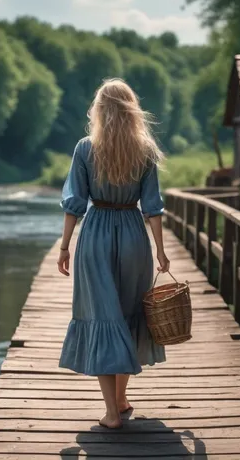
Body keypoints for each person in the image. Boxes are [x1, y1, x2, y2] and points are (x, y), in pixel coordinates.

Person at [57, 78, 170, 429]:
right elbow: (152, 207)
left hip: (96, 236)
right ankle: (120, 400)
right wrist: (161, 252)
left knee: (103, 316)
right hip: (134, 235)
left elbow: (74, 203)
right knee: (128, 315)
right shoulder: (146, 150)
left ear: (100, 110)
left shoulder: (85, 148)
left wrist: (64, 246)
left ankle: (111, 411)